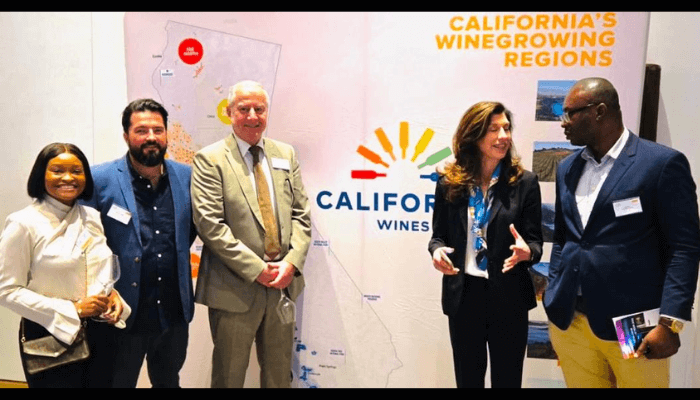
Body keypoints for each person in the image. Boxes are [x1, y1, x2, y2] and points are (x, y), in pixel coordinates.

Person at [544, 77, 700, 388]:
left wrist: (670, 322)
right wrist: (553, 289)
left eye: (570, 113)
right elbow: (564, 237)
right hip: (572, 323)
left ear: (599, 111)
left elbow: (684, 247)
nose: (563, 123)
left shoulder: (660, 164)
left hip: (634, 324)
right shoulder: (567, 168)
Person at [192, 80, 311, 388]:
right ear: (229, 112)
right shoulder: (210, 159)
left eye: (259, 109)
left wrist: (291, 263)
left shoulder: (285, 154)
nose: (252, 116)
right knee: (229, 378)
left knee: (278, 377)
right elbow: (210, 224)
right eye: (244, 109)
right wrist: (257, 269)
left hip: (282, 285)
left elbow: (301, 214)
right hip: (234, 288)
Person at [428, 102, 543, 388]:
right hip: (465, 296)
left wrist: (527, 252)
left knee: (507, 381)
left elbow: (535, 243)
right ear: (474, 135)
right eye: (494, 129)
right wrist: (437, 251)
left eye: (506, 128)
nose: (504, 136)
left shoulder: (525, 183)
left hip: (508, 296)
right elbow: (438, 236)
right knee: (468, 380)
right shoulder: (449, 183)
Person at [84, 99, 196, 387]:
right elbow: (86, 244)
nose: (151, 137)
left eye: (158, 130)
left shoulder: (187, 177)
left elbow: (190, 233)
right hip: (121, 314)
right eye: (141, 130)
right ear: (126, 136)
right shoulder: (99, 179)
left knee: (169, 382)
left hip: (172, 313)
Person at [0, 143, 130, 388]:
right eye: (58, 171)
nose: (68, 178)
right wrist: (74, 309)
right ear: (41, 175)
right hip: (50, 335)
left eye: (76, 171)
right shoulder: (23, 223)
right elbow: (6, 290)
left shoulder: (91, 216)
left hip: (101, 334)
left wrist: (111, 294)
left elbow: (92, 269)